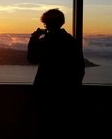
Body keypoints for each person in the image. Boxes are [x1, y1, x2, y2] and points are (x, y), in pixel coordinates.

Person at [27, 8, 85, 137]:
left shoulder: (45, 42)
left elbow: (32, 59)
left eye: (45, 23)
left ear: (46, 24)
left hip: (44, 91)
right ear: (61, 22)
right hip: (67, 93)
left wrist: (33, 38)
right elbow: (80, 67)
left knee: (44, 126)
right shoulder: (72, 41)